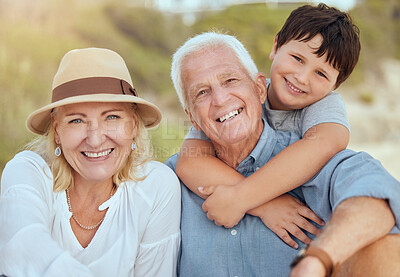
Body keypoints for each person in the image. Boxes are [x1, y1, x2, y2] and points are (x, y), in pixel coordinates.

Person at [166, 31, 400, 276]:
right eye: (202, 92)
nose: (220, 99)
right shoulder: (169, 180)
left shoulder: (314, 155)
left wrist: (316, 261)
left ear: (259, 89)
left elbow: (378, 199)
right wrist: (264, 203)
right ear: (191, 116)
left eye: (230, 80)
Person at [175, 4, 359, 248]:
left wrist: (240, 198)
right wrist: (263, 204)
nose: (302, 77)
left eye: (321, 74)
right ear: (275, 47)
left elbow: (326, 144)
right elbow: (190, 162)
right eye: (297, 58)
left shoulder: (323, 105)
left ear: (335, 86)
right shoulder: (238, 97)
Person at [0, 48, 181, 276]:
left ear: (134, 126)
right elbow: (23, 248)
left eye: (112, 117)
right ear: (57, 131)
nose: (95, 140)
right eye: (76, 120)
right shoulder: (28, 171)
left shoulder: (156, 185)